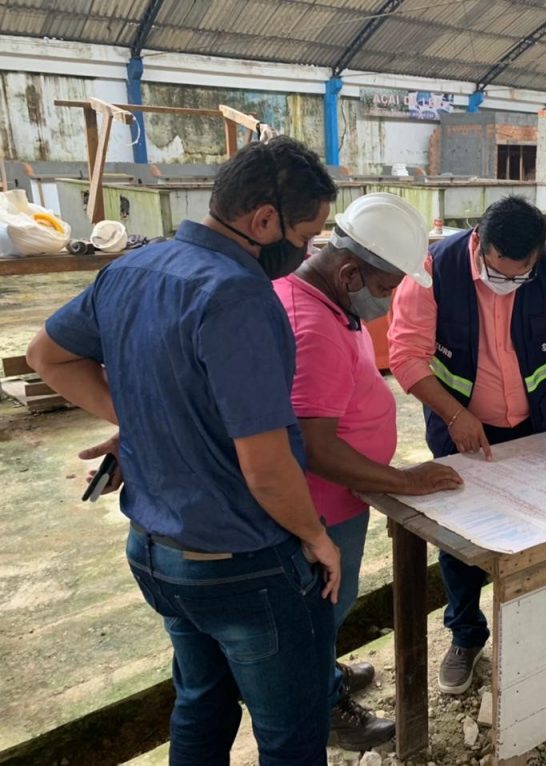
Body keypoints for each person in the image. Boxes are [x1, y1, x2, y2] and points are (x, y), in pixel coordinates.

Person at [27, 137, 342, 765]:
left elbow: (48, 357)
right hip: (241, 567)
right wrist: (316, 537)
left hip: (154, 553)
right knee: (290, 733)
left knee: (201, 704)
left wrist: (146, 418)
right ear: (263, 221)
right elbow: (267, 465)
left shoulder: (132, 267)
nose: (306, 252)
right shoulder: (240, 295)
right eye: (307, 235)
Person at [387, 196, 546, 695]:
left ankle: (533, 630)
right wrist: (455, 413)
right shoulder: (433, 269)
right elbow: (405, 354)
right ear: (478, 243)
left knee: (542, 525)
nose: (509, 283)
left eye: (521, 274)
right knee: (462, 539)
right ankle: (465, 636)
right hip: (459, 426)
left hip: (535, 422)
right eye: (499, 271)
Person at [273, 193, 463, 748]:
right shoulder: (311, 326)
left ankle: (326, 679)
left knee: (327, 611)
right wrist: (404, 481)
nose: (387, 300)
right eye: (383, 288)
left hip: (341, 498)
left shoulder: (323, 299)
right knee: (315, 619)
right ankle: (326, 710)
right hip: (320, 508)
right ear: (350, 270)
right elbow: (315, 446)